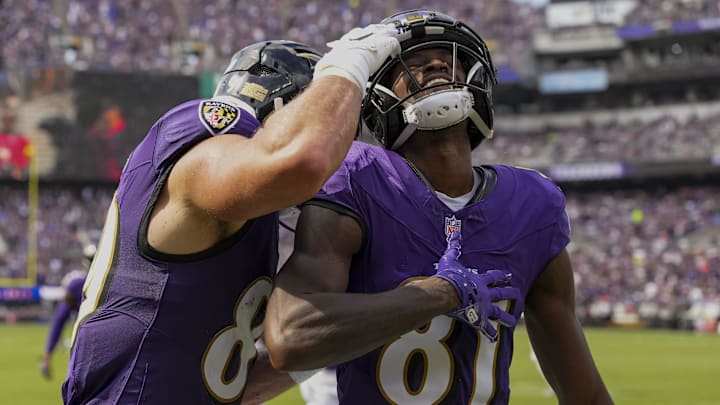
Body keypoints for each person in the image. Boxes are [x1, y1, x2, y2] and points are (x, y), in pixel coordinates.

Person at [265, 9, 614, 404]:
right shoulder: (357, 178)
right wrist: (439, 295)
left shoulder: (533, 205)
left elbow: (585, 392)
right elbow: (290, 337)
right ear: (379, 98)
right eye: (413, 64)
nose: (434, 64)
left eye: (450, 62)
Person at [62, 28, 404, 405]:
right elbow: (304, 161)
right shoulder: (205, 131)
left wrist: (350, 328)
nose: (340, 158)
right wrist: (348, 65)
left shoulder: (247, 215)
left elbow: (226, 383)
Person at [40, 245, 94, 380]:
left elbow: (60, 319)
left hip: (86, 346)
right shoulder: (118, 281)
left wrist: (48, 354)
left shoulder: (77, 283)